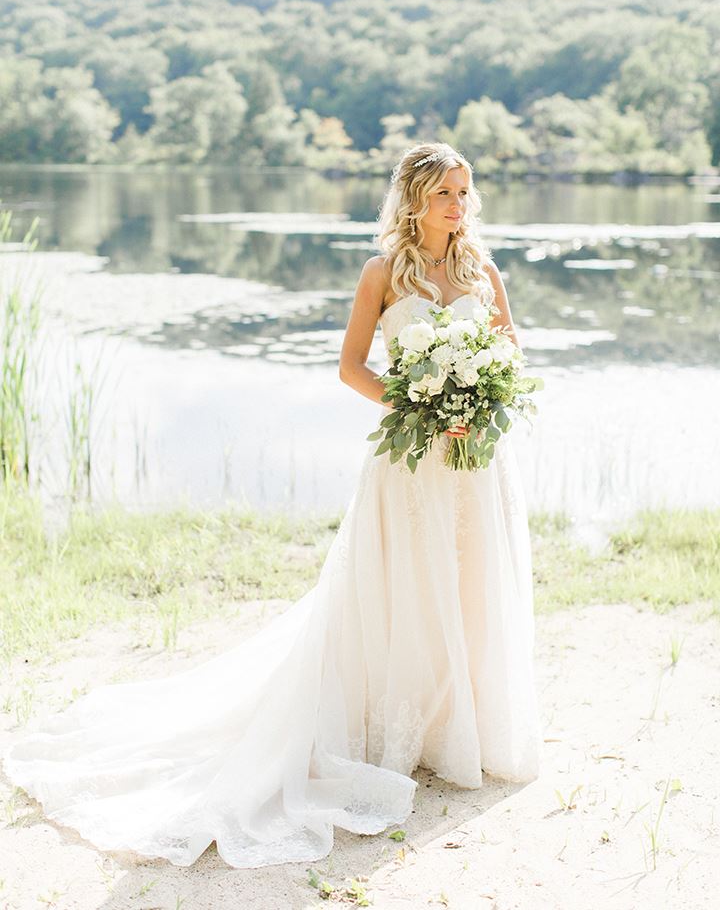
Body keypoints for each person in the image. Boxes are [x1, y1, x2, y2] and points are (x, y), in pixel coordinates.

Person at [2, 141, 541, 870]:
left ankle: (459, 728)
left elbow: (510, 355)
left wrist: (478, 403)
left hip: (476, 461)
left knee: (470, 585)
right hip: (412, 458)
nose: (459, 206)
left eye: (465, 193)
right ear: (414, 199)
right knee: (405, 589)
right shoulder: (381, 273)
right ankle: (397, 732)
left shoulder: (483, 269)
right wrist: (419, 401)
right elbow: (351, 367)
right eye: (445, 192)